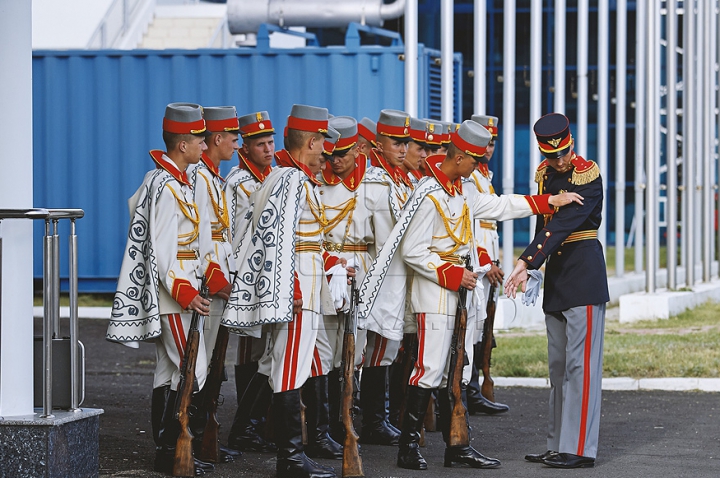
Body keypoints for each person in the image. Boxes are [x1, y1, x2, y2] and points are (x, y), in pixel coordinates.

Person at [355, 120, 583, 471]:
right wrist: (453, 273)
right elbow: (412, 251)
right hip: (435, 292)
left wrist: (546, 201)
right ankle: (408, 447)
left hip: (459, 291)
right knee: (429, 368)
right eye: (474, 161)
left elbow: (497, 206)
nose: (478, 166)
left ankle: (457, 446)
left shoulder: (458, 189)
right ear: (459, 157)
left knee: (454, 370)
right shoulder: (430, 193)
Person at [223, 104, 353, 478]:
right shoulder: (291, 180)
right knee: (289, 370)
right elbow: (275, 240)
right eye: (322, 143)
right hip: (297, 292)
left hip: (307, 287)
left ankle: (291, 455)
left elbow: (305, 241)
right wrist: (292, 288)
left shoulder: (292, 178)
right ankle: (291, 460)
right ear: (312, 141)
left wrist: (332, 265)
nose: (325, 151)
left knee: (286, 367)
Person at [107, 102, 230, 476]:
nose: (203, 145)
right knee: (195, 367)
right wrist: (184, 291)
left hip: (188, 285)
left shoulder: (184, 180)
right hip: (174, 294)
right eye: (197, 139)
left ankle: (169, 452)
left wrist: (213, 272)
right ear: (183, 144)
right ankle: (176, 445)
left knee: (168, 370)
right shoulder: (162, 184)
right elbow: (159, 248)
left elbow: (201, 234)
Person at [505, 113, 608, 469]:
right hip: (558, 276)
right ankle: (558, 444)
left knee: (582, 367)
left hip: (584, 274)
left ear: (571, 144)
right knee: (559, 366)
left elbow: (565, 223)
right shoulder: (545, 176)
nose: (560, 160)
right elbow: (542, 223)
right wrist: (534, 270)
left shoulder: (587, 174)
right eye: (552, 156)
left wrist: (527, 261)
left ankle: (579, 449)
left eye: (563, 152)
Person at [316, 115, 403, 447]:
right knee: (324, 350)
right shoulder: (315, 180)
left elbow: (384, 245)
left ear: (357, 149)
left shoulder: (376, 184)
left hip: (360, 272)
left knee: (353, 351)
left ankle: (345, 420)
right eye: (331, 155)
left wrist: (378, 289)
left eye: (343, 154)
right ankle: (325, 426)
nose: (336, 162)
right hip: (323, 270)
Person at [186, 105, 239, 463]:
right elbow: (198, 237)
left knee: (214, 363)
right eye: (233, 138)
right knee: (198, 362)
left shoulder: (213, 176)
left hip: (221, 275)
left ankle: (205, 433)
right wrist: (215, 280)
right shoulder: (200, 178)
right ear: (216, 138)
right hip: (208, 283)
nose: (237, 145)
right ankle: (188, 439)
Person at [224, 110, 279, 453]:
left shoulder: (271, 176)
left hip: (267, 275)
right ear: (246, 146)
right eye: (261, 144)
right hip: (246, 275)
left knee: (267, 352)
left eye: (271, 142)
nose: (269, 149)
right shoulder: (239, 182)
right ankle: (244, 427)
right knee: (251, 351)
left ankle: (256, 423)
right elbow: (237, 233)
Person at [464, 113, 510, 415]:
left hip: (487, 259)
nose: (489, 148)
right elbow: (469, 228)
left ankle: (475, 386)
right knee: (472, 327)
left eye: (492, 142)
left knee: (482, 328)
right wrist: (485, 260)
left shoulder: (484, 175)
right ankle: (468, 390)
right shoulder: (471, 178)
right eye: (485, 142)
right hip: (476, 262)